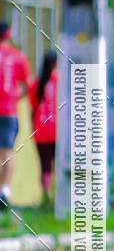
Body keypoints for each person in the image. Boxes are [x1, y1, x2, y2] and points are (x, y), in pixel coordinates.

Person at [0, 22, 33, 212]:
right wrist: (15, 96)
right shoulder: (17, 56)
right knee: (7, 152)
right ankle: (5, 191)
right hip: (9, 111)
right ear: (8, 34)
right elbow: (27, 84)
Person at [29, 50, 58, 204]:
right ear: (56, 63)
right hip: (58, 130)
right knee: (58, 164)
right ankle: (58, 197)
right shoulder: (60, 81)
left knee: (45, 165)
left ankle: (46, 197)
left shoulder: (36, 84)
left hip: (41, 130)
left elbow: (32, 110)